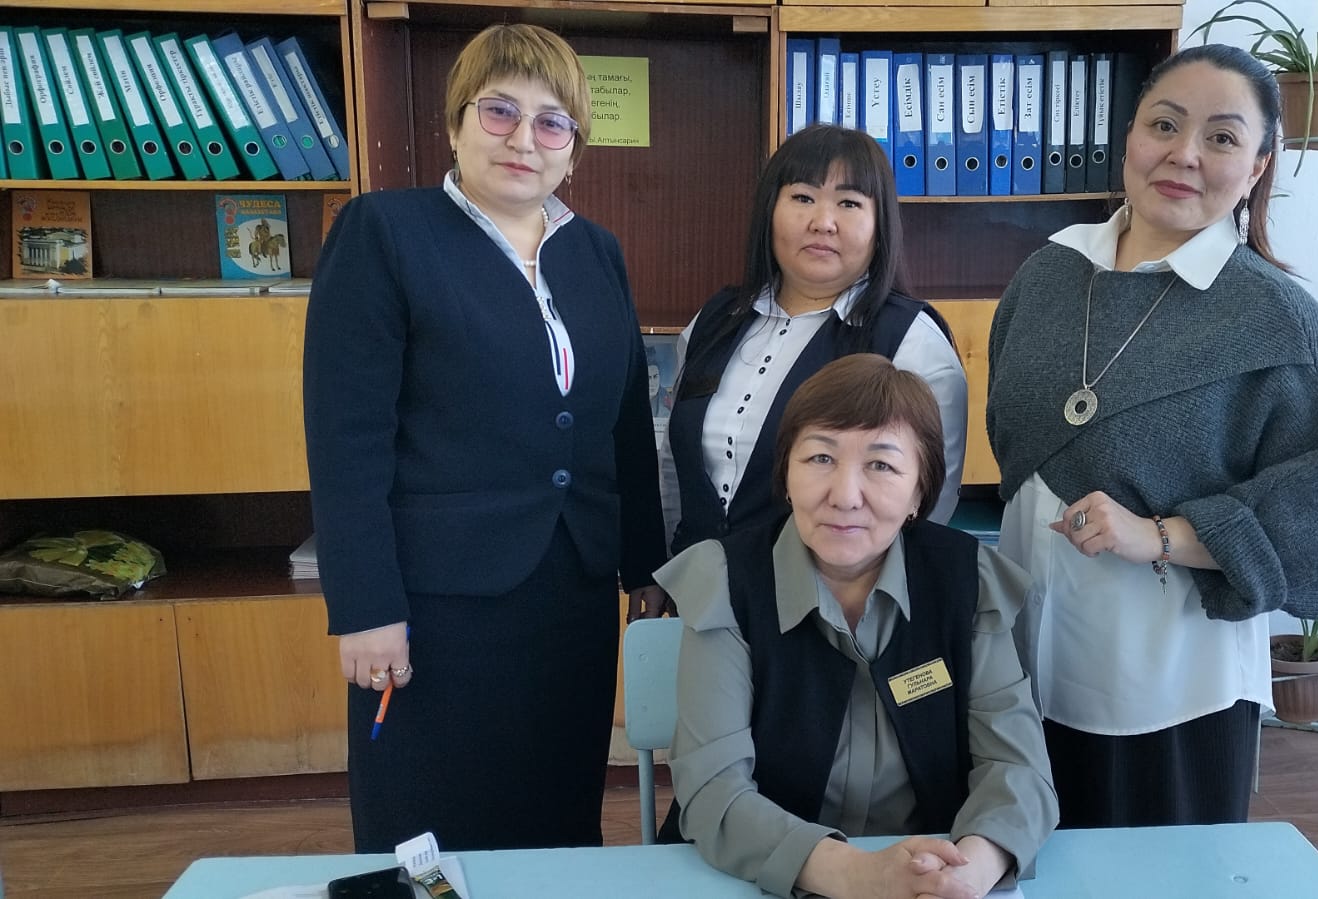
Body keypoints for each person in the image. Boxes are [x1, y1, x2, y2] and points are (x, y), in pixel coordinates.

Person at [986, 44, 1318, 828]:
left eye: (1221, 137)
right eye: (1163, 125)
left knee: (1157, 873)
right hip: (1019, 669)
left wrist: (1159, 533)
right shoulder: (1047, 275)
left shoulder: (1275, 318)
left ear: (1257, 166)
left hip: (1169, 685)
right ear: (1129, 136)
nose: (1183, 153)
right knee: (1026, 864)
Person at [303, 24, 667, 853]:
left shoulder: (595, 252)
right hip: (436, 602)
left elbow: (621, 421)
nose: (522, 139)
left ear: (573, 148)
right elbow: (345, 440)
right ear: (455, 123)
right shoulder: (384, 233)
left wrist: (645, 564)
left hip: (571, 589)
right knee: (432, 817)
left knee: (555, 807)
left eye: (551, 122)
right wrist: (365, 606)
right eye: (499, 111)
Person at [660, 354, 1057, 899]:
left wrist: (966, 873)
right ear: (786, 474)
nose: (845, 495)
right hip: (761, 879)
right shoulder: (726, 581)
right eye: (820, 457)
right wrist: (862, 876)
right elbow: (714, 793)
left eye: (881, 465)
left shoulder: (967, 581)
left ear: (920, 492)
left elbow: (1018, 769)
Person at [660, 123, 967, 556]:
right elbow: (674, 464)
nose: (822, 223)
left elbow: (931, 503)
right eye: (802, 198)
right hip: (696, 584)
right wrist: (666, 567)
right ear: (770, 209)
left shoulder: (912, 344)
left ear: (880, 224)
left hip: (831, 593)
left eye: (849, 203)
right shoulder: (717, 319)